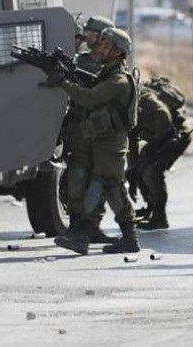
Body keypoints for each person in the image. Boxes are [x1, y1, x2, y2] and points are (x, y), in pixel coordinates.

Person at [53, 27, 140, 255]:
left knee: (110, 186)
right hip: (103, 141)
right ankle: (87, 236)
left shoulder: (118, 80)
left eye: (107, 45)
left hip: (111, 145)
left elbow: (88, 98)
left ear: (118, 52)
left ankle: (107, 237)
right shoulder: (108, 74)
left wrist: (63, 83)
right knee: (104, 187)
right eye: (101, 44)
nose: (101, 48)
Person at [62, 15, 120, 245]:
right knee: (77, 175)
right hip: (79, 127)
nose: (88, 36)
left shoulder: (113, 65)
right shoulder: (78, 61)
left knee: (101, 179)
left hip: (104, 129)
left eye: (93, 32)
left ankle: (93, 226)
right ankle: (76, 225)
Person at [129, 78, 193, 230]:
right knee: (139, 169)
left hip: (176, 136)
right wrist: (132, 170)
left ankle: (160, 217)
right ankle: (151, 208)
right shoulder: (123, 105)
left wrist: (155, 145)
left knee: (152, 171)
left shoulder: (142, 98)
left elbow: (163, 115)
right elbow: (132, 141)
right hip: (159, 138)